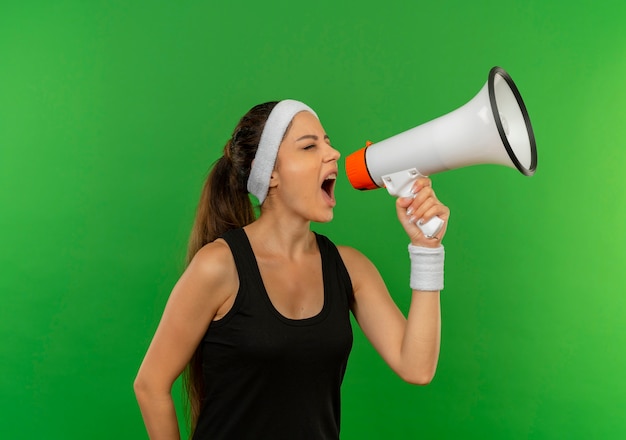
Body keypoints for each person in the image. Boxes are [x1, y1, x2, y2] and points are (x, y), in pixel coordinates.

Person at [133, 100, 450, 440]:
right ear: (269, 172)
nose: (334, 153)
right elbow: (150, 385)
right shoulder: (219, 266)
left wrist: (427, 249)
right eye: (310, 146)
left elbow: (417, 367)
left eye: (327, 142)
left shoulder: (350, 268)